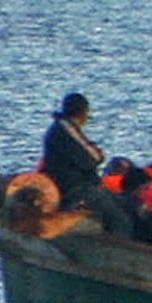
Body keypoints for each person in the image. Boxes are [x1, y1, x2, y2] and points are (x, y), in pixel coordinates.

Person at [40, 93, 117, 225]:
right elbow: (92, 158)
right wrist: (97, 153)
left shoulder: (61, 128)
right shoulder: (66, 129)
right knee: (118, 214)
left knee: (116, 199)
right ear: (82, 112)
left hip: (73, 184)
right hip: (73, 188)